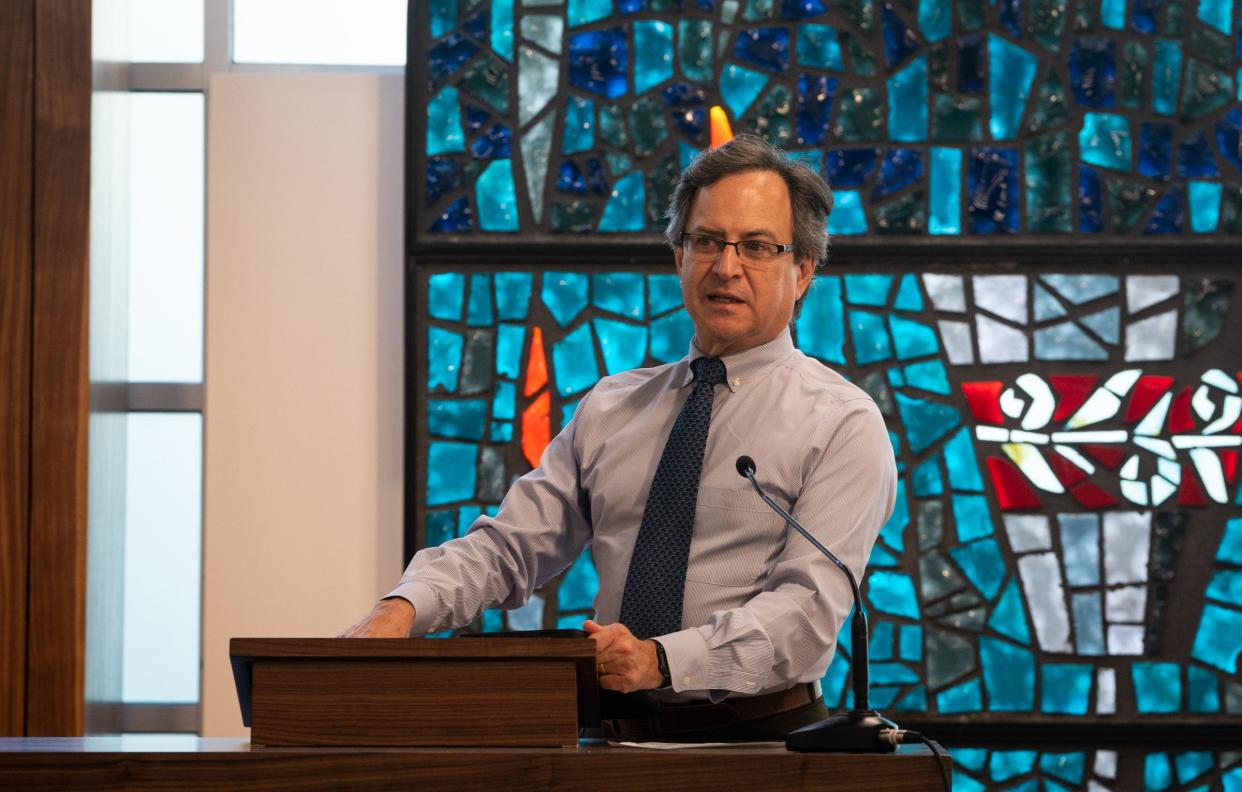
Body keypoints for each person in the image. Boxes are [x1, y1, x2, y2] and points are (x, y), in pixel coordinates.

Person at [343, 134, 897, 741]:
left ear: (803, 272)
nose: (726, 267)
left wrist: (662, 660)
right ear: (678, 258)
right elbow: (512, 547)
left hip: (759, 744)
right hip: (610, 741)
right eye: (706, 241)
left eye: (758, 247)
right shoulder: (614, 406)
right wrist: (403, 607)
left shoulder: (843, 422)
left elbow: (807, 614)